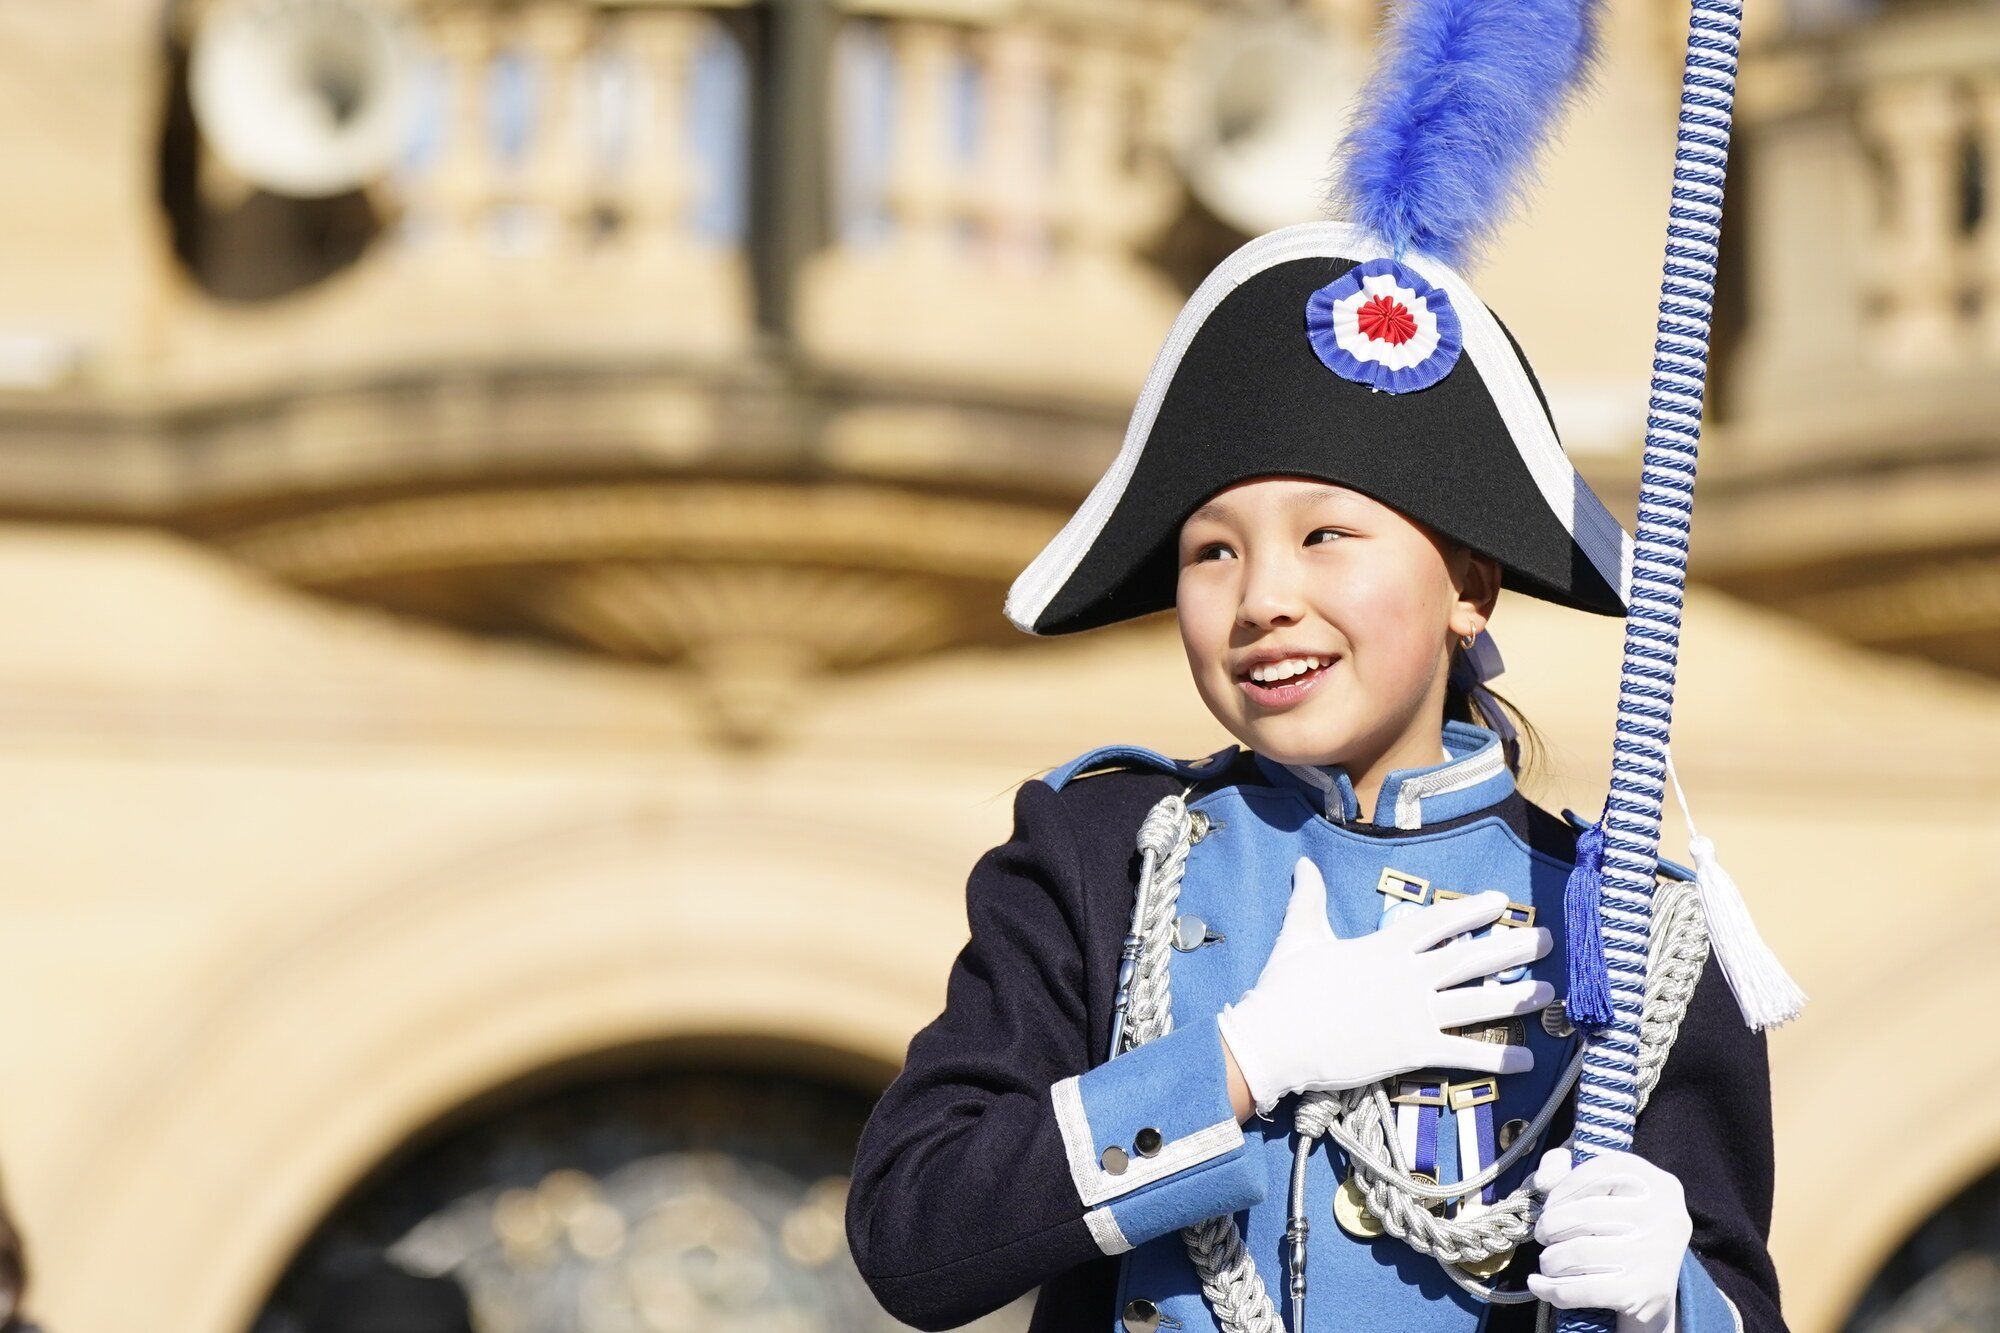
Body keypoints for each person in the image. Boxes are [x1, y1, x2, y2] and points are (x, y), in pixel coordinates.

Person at [844, 5, 1791, 1330]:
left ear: (1468, 585)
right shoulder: (1098, 858)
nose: (1262, 601)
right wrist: (1239, 1060)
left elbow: (1739, 1301)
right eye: (1212, 553)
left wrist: (1672, 1303)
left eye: (1326, 537)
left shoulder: (1632, 933)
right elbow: (914, 1234)